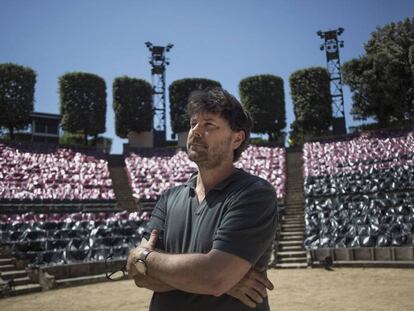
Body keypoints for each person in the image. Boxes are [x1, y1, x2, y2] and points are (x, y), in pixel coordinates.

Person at [126, 87, 278, 311]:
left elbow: (214, 277)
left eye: (209, 125)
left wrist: (144, 257)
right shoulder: (169, 198)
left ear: (236, 139)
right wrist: (223, 282)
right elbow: (138, 276)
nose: (195, 131)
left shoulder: (254, 193)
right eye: (193, 123)